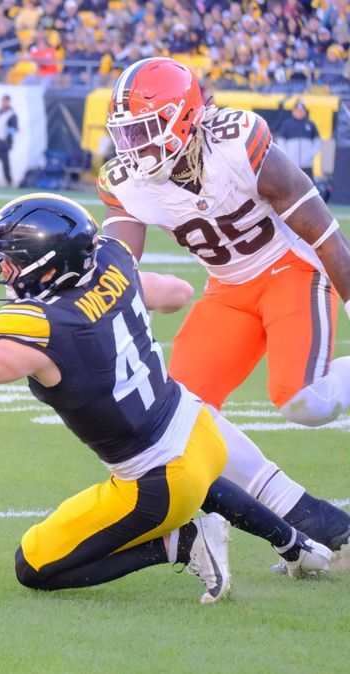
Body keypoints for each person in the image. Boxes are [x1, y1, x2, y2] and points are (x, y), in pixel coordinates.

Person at [0, 194, 331, 602]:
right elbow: (179, 293)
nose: (3, 269)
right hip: (198, 427)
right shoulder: (112, 264)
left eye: (9, 259)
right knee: (193, 474)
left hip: (159, 480)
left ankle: (178, 544)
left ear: (45, 265)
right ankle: (296, 545)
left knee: (34, 568)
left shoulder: (46, 326)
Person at [98, 57, 350, 563]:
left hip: (290, 271)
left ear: (185, 116)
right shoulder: (125, 181)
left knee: (303, 403)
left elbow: (320, 227)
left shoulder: (238, 140)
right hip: (228, 289)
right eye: (127, 135)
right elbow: (120, 262)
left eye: (146, 130)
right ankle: (299, 512)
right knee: (180, 415)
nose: (135, 147)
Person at [275, 100, 320, 180]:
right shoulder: (287, 124)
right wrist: (287, 155)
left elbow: (317, 141)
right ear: (293, 111)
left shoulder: (310, 124)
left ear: (305, 112)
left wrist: (310, 154)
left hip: (307, 165)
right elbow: (281, 141)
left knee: (308, 185)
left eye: (301, 111)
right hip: (291, 164)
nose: (299, 112)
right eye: (297, 110)